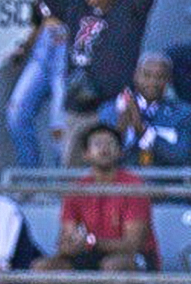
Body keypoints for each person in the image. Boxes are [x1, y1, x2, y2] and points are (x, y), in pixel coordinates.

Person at [14, 123, 159, 284]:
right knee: (40, 268)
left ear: (120, 152)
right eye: (98, 144)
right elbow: (65, 241)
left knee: (112, 266)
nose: (104, 149)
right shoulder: (77, 189)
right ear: (86, 154)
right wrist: (71, 245)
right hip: (91, 256)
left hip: (135, 259)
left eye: (111, 144)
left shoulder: (133, 186)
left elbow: (132, 244)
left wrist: (90, 241)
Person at [57, 0, 151, 166]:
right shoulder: (76, 7)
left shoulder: (130, 8)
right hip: (78, 105)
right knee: (71, 171)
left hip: (114, 106)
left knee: (111, 166)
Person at [98, 53, 191, 167]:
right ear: (135, 76)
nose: (153, 82)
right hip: (123, 181)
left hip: (164, 182)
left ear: (169, 80)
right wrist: (120, 129)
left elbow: (180, 155)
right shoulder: (111, 110)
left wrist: (142, 129)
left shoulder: (183, 112)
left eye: (160, 76)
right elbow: (103, 156)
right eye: (146, 75)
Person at [6, 1, 68, 168]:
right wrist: (24, 47)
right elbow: (40, 21)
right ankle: (31, 179)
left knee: (60, 126)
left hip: (68, 54)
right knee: (16, 113)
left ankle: (63, 188)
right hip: (41, 56)